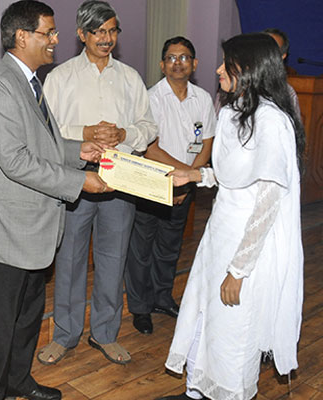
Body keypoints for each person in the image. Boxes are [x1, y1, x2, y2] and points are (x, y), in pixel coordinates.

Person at [0, 1, 111, 399]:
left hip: (33, 228)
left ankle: (18, 381)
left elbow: (45, 144)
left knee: (26, 318)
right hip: (5, 229)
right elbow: (16, 162)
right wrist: (80, 183)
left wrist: (81, 151)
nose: (56, 41)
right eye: (49, 33)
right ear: (22, 36)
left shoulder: (29, 80)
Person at [159, 33, 305, 400]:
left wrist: (238, 271)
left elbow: (267, 200)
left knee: (234, 327)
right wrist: (193, 174)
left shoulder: (272, 121)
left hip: (248, 244)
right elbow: (230, 178)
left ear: (251, 69)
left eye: (228, 64)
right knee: (207, 315)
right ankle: (199, 389)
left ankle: (231, 393)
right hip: (220, 231)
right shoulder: (231, 113)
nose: (218, 69)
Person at [36, 0, 157, 366]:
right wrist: (84, 132)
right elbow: (46, 132)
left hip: (121, 181)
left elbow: (149, 126)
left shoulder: (131, 77)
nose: (107, 38)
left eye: (113, 31)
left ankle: (105, 334)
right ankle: (65, 335)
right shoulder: (59, 78)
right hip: (76, 180)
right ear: (81, 34)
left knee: (113, 259)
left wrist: (125, 133)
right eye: (99, 31)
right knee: (69, 260)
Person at [124, 36, 216, 335]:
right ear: (162, 64)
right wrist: (182, 177)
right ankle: (140, 308)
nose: (178, 63)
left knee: (170, 246)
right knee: (142, 249)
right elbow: (150, 148)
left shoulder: (203, 99)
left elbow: (208, 143)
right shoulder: (150, 98)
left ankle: (162, 297)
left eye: (184, 57)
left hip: (186, 185)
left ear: (195, 64)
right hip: (153, 183)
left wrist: (189, 179)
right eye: (172, 58)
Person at [263, 28, 301, 115]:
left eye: (272, 48)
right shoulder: (241, 81)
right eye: (264, 47)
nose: (266, 52)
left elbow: (294, 125)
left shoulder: (286, 92)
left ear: (282, 56)